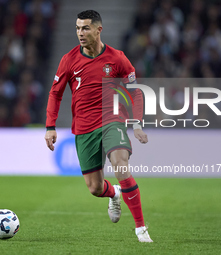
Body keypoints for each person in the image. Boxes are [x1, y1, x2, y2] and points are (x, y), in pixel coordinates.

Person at [44, 10, 153, 242]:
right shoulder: (69, 60)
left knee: (120, 166)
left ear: (98, 30)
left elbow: (135, 92)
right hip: (84, 129)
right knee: (94, 188)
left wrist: (136, 124)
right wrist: (50, 126)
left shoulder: (118, 58)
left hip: (112, 121)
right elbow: (55, 93)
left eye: (85, 28)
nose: (80, 33)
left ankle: (141, 229)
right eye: (76, 28)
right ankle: (114, 193)